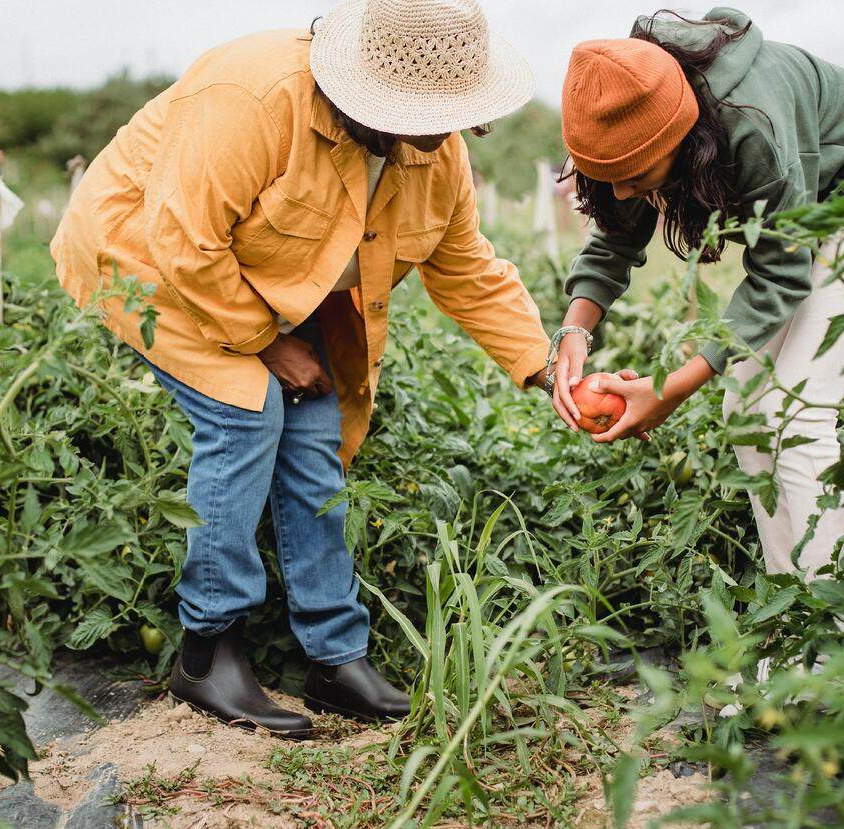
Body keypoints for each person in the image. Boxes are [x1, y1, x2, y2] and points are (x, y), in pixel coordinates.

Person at [51, 0, 552, 738]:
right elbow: (183, 242)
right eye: (424, 113)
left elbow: (466, 268)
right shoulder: (253, 98)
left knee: (314, 435)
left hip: (270, 278)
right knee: (245, 411)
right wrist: (267, 342)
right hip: (147, 261)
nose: (441, 133)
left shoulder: (432, 149)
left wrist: (544, 369)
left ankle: (335, 657)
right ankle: (206, 650)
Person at [549, 7, 844, 581]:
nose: (620, 190)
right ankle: (790, 613)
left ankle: (835, 643)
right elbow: (616, 236)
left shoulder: (750, 123)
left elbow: (781, 275)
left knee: (795, 411)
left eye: (637, 175)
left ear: (683, 140)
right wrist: (575, 329)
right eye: (607, 175)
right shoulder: (628, 103)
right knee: (745, 409)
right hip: (813, 217)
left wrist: (667, 390)